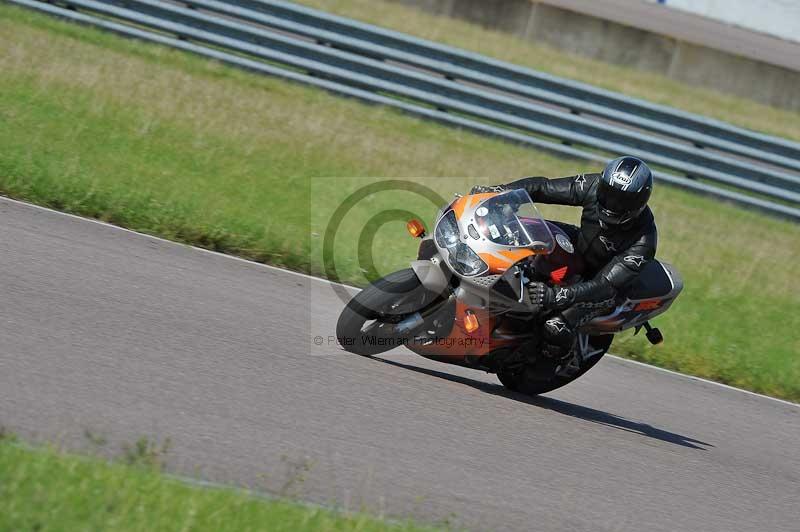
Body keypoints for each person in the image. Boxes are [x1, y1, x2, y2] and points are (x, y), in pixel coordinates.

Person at [472, 156, 657, 363]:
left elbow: (605, 285)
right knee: (521, 230)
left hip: (603, 286)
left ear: (639, 203)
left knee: (555, 328)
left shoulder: (643, 241)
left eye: (622, 201)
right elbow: (543, 187)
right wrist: (499, 192)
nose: (611, 204)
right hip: (581, 247)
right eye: (608, 194)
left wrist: (555, 296)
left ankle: (553, 361)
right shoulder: (592, 185)